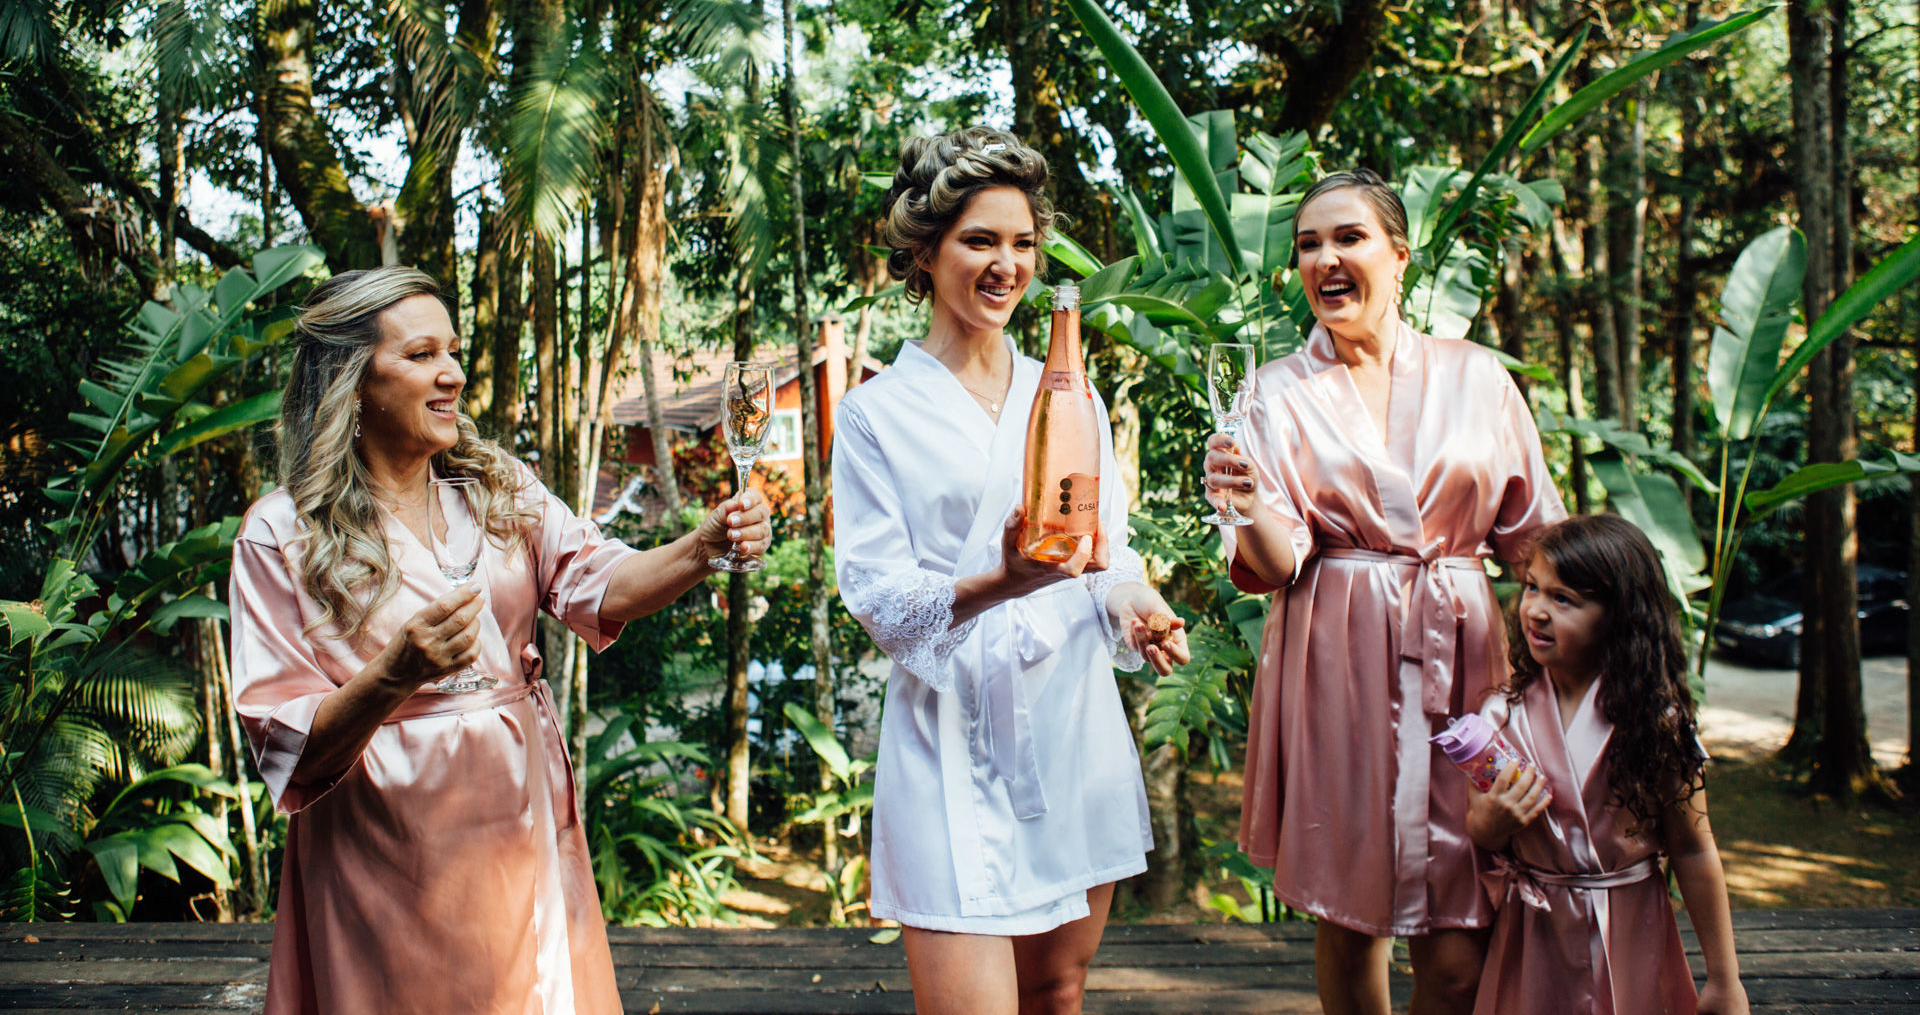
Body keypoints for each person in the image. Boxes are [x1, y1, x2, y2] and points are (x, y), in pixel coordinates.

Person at [228, 266, 772, 1015]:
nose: (452, 374)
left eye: (452, 351)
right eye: (421, 355)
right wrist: (393, 676)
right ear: (351, 382)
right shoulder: (281, 533)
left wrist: (701, 548)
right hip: (381, 842)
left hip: (520, 814)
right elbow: (285, 743)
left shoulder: (496, 487)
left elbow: (601, 582)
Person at [832, 127, 1191, 1015]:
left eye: (1024, 243)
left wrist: (1137, 604)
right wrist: (1002, 581)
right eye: (980, 241)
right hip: (948, 733)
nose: (1008, 265)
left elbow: (1103, 553)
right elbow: (878, 598)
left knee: (1059, 992)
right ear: (925, 251)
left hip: (1070, 722)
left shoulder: (1066, 390)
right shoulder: (876, 414)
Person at [1203, 168, 1567, 1015]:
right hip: (1338, 665)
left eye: (1348, 237)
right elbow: (1276, 564)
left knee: (1461, 938)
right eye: (1308, 245)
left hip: (1465, 664)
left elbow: (1536, 544)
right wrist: (1244, 501)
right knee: (1350, 918)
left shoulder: (1479, 377)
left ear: (1399, 256)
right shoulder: (1273, 392)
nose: (1325, 258)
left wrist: (1594, 650)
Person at [1465, 514, 1748, 1015]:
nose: (1536, 610)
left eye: (1564, 599)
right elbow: (1482, 830)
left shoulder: (1656, 723)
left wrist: (1725, 981)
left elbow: (1693, 848)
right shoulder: (1500, 716)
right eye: (1532, 587)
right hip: (1533, 935)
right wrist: (1491, 821)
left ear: (1618, 616)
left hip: (1629, 928)